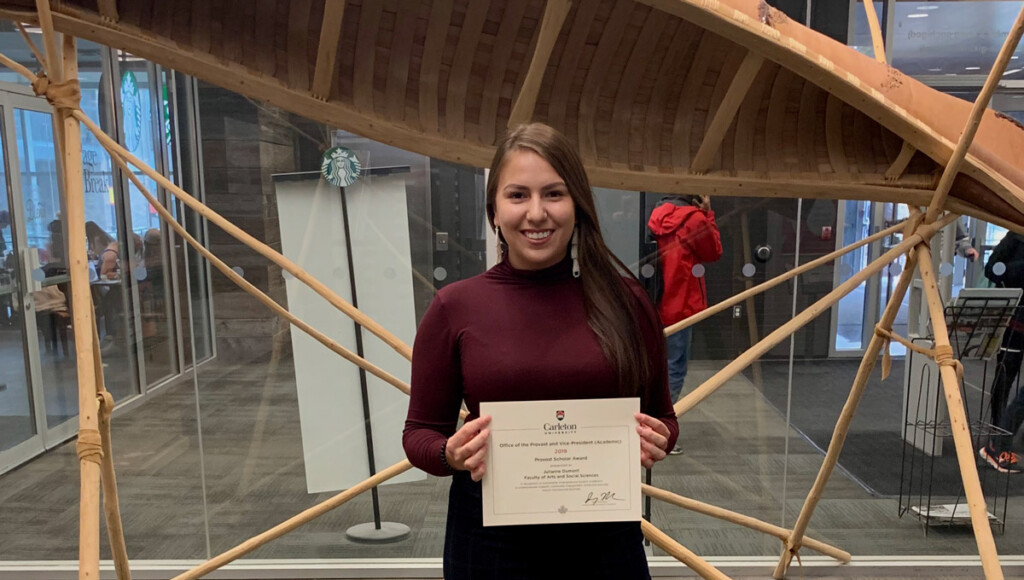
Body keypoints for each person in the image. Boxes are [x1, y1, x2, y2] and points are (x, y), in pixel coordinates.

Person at [403, 123, 678, 579]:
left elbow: (664, 418)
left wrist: (659, 438)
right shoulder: (455, 307)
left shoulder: (626, 301)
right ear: (494, 210)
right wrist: (450, 454)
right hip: (490, 542)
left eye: (553, 194)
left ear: (578, 206)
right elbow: (419, 434)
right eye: (517, 196)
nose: (536, 213)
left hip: (605, 539)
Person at [647, 194, 722, 454]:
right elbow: (713, 252)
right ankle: (658, 432)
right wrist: (709, 214)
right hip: (680, 306)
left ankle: (650, 424)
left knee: (656, 367)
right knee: (675, 369)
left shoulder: (655, 216)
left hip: (653, 304)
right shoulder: (694, 219)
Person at [979, 231, 1024, 474]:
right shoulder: (1016, 233)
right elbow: (992, 269)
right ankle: (996, 441)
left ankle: (1003, 438)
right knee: (1004, 381)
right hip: (1015, 321)